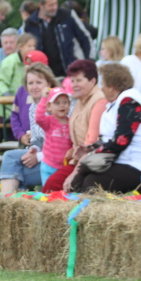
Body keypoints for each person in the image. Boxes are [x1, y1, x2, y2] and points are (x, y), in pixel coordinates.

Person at [69, 63, 141, 193]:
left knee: (93, 182)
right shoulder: (118, 103)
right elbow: (111, 139)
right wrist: (90, 148)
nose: (101, 89)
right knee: (78, 181)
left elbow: (122, 140)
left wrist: (93, 155)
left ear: (111, 87)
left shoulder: (130, 101)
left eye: (102, 84)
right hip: (127, 161)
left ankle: (88, 207)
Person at [45, 60, 107, 192]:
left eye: (79, 80)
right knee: (51, 184)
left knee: (53, 185)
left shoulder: (99, 101)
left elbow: (91, 143)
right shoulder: (80, 100)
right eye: (72, 81)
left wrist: (74, 173)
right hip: (77, 160)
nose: (74, 85)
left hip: (91, 162)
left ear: (92, 81)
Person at [0, 64, 56, 194]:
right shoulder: (33, 107)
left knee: (14, 169)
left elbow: (61, 142)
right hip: (43, 154)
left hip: (56, 161)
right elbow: (37, 139)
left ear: (49, 83)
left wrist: (38, 156)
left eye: (38, 82)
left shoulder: (57, 105)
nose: (34, 87)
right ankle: (9, 199)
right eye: (30, 83)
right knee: (11, 157)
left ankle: (6, 199)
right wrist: (33, 150)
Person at [23, 0, 91, 77]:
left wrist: (89, 60)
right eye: (51, 5)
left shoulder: (67, 15)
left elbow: (85, 37)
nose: (54, 7)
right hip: (43, 74)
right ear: (41, 5)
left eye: (56, 3)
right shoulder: (30, 23)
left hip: (70, 71)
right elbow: (25, 50)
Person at [0, 33, 37, 122]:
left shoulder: (31, 63)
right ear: (20, 47)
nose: (32, 48)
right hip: (1, 108)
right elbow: (1, 83)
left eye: (34, 46)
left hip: (17, 107)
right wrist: (10, 97)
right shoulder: (10, 61)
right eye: (29, 46)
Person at [35, 87, 73, 186]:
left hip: (64, 166)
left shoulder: (71, 123)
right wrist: (44, 98)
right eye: (57, 103)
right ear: (49, 107)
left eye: (65, 102)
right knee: (48, 190)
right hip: (48, 165)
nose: (62, 105)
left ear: (69, 105)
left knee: (62, 191)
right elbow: (38, 118)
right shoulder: (49, 121)